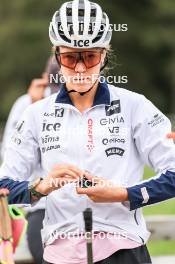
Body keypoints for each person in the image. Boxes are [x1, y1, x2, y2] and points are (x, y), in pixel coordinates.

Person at [0, 0, 175, 263]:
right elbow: (3, 186)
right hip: (62, 252)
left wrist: (125, 194)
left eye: (90, 56)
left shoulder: (134, 106)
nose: (80, 69)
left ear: (104, 55)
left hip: (124, 250)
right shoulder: (35, 114)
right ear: (57, 55)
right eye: (70, 58)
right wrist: (40, 188)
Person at [0, 56, 60, 264]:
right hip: (40, 207)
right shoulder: (25, 104)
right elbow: (12, 160)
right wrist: (36, 106)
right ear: (44, 79)